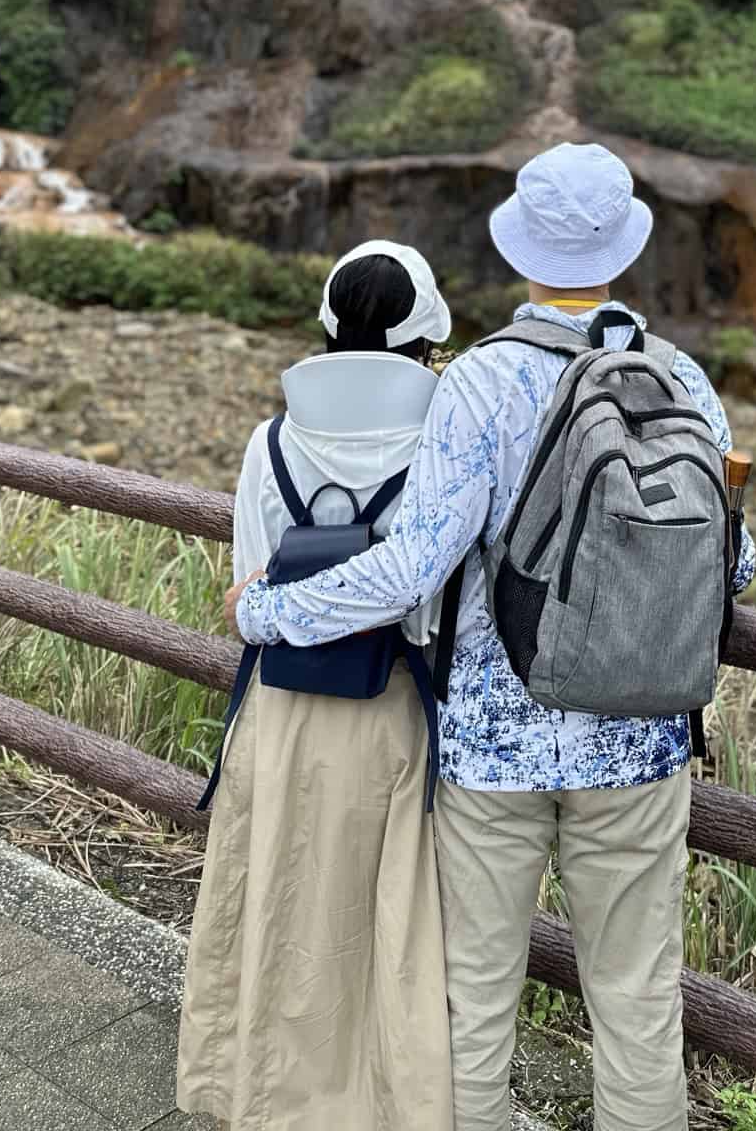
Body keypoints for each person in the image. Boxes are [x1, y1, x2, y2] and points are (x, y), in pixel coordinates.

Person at [234, 143, 756, 1131]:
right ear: (623, 248)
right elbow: (732, 563)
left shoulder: (477, 380)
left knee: (475, 1004)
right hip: (640, 740)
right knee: (640, 1005)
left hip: (492, 741)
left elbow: (411, 567)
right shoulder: (681, 375)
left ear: (522, 252)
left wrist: (268, 610)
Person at [178, 240, 454, 1131]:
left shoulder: (272, 441)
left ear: (329, 326)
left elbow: (251, 585)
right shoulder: (441, 440)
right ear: (426, 334)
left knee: (272, 897)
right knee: (378, 928)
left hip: (280, 704)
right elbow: (434, 603)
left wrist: (277, 603)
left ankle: (251, 1097)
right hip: (392, 709)